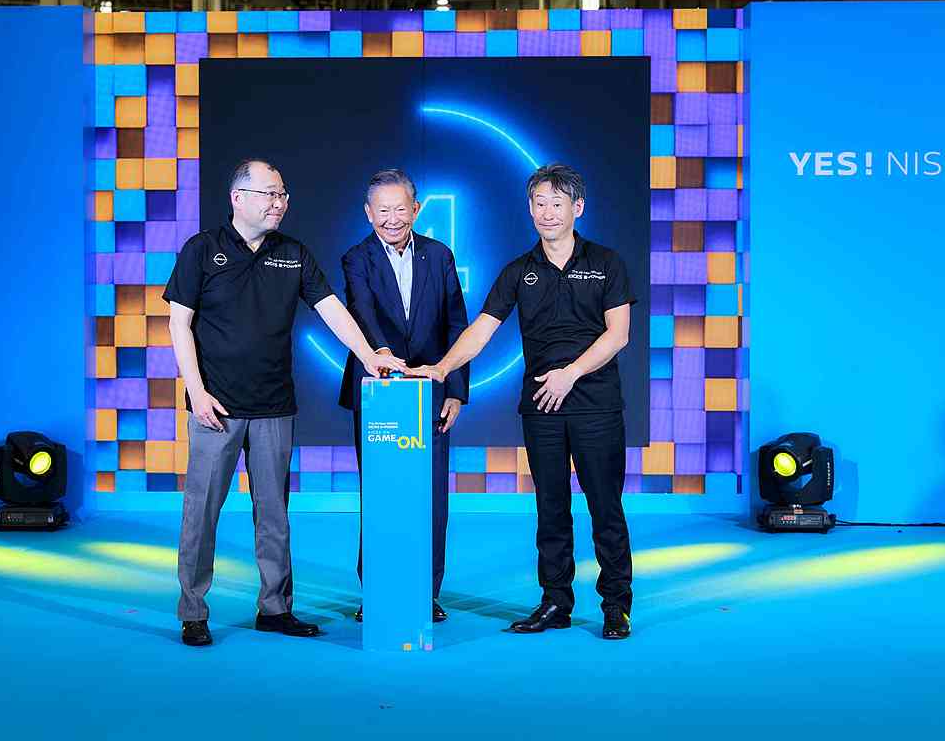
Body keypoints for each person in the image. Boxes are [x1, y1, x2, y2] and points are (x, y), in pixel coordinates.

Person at [164, 159, 406, 647]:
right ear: (238, 198)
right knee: (201, 513)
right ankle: (193, 610)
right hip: (215, 407)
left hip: (274, 404)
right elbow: (178, 323)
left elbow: (332, 310)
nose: (278, 203)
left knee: (274, 514)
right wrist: (196, 391)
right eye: (269, 194)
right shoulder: (202, 250)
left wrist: (369, 355)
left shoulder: (293, 254)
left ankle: (275, 608)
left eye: (282, 195)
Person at [409, 163, 636, 640]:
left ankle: (616, 606)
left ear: (578, 208)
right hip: (541, 409)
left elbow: (618, 335)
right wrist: (442, 368)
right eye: (539, 203)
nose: (547, 213)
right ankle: (555, 602)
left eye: (557, 203)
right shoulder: (519, 270)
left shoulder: (607, 262)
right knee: (550, 509)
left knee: (605, 509)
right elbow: (482, 329)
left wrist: (570, 374)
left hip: (596, 406)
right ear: (529, 208)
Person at [339, 168, 469, 624]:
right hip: (378, 390)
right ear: (368, 213)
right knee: (380, 494)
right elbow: (361, 312)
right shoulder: (356, 258)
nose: (392, 218)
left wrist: (456, 390)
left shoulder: (440, 254)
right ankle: (376, 590)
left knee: (431, 497)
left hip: (431, 391)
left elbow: (457, 323)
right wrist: (382, 356)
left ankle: (425, 592)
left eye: (400, 209)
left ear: (415, 210)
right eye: (383, 210)